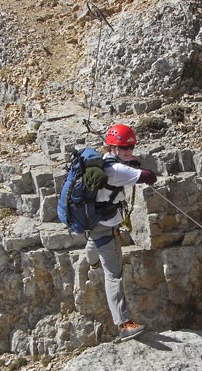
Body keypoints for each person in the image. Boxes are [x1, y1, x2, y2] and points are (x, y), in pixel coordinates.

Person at [86, 123, 157, 341]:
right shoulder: (117, 170)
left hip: (93, 223)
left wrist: (130, 163)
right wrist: (136, 168)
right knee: (113, 275)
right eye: (124, 148)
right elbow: (149, 176)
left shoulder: (104, 160)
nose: (129, 151)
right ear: (113, 148)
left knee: (93, 243)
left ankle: (92, 262)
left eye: (131, 147)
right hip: (107, 227)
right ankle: (124, 324)